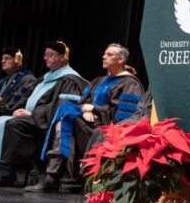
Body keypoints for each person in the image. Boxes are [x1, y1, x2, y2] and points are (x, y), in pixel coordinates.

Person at [34, 43, 145, 192]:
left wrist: (95, 109)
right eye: (104, 54)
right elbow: (83, 102)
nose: (104, 56)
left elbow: (126, 117)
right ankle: (59, 175)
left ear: (121, 59)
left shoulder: (130, 83)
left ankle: (57, 176)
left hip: (107, 129)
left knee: (68, 115)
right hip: (87, 123)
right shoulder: (98, 81)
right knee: (66, 111)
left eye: (109, 55)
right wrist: (83, 109)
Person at [0, 41, 87, 187]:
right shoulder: (45, 78)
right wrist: (15, 109)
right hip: (31, 116)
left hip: (47, 120)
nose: (46, 58)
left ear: (62, 57)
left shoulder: (70, 79)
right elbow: (26, 97)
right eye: (45, 55)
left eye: (51, 55)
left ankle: (6, 172)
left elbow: (60, 106)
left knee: (14, 124)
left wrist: (32, 114)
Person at [0, 47, 36, 121]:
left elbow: (14, 105)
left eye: (7, 58)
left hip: (6, 116)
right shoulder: (5, 80)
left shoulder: (28, 79)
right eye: (2, 59)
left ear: (18, 60)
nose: (3, 61)